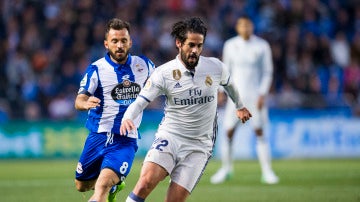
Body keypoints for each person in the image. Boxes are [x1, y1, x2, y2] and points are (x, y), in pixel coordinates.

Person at [120, 17, 252, 202]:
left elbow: (230, 85)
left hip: (199, 146)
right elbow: (141, 101)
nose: (195, 51)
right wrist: (128, 117)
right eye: (191, 45)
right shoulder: (164, 73)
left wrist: (240, 106)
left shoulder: (215, 67)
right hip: (170, 137)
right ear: (179, 43)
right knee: (145, 183)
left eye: (199, 46)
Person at [74, 18, 155, 202]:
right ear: (106, 43)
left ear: (130, 42)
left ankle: (109, 185)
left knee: (101, 186)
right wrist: (85, 103)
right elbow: (79, 99)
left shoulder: (144, 65)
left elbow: (164, 81)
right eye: (115, 41)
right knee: (82, 185)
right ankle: (115, 186)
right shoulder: (96, 69)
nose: (119, 45)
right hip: (97, 136)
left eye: (123, 41)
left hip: (125, 139)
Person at [210, 14, 279, 185]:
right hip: (235, 97)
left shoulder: (262, 46)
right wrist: (220, 91)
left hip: (255, 97)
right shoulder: (230, 45)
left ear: (252, 27)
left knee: (260, 132)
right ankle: (226, 169)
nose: (245, 28)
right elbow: (225, 70)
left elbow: (267, 72)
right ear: (237, 27)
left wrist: (263, 93)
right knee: (228, 132)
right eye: (242, 25)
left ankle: (267, 171)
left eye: (248, 25)